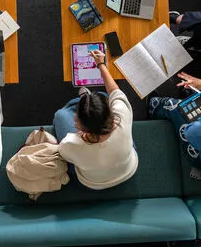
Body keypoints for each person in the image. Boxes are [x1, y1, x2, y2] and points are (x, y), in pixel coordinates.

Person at [52, 50, 137, 190]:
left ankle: (79, 102)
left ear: (83, 130)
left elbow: (63, 153)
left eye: (77, 119)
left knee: (61, 115)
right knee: (104, 95)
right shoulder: (122, 115)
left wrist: (79, 137)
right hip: (127, 170)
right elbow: (114, 91)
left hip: (92, 182)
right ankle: (86, 101)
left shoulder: (71, 143)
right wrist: (101, 64)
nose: (74, 120)